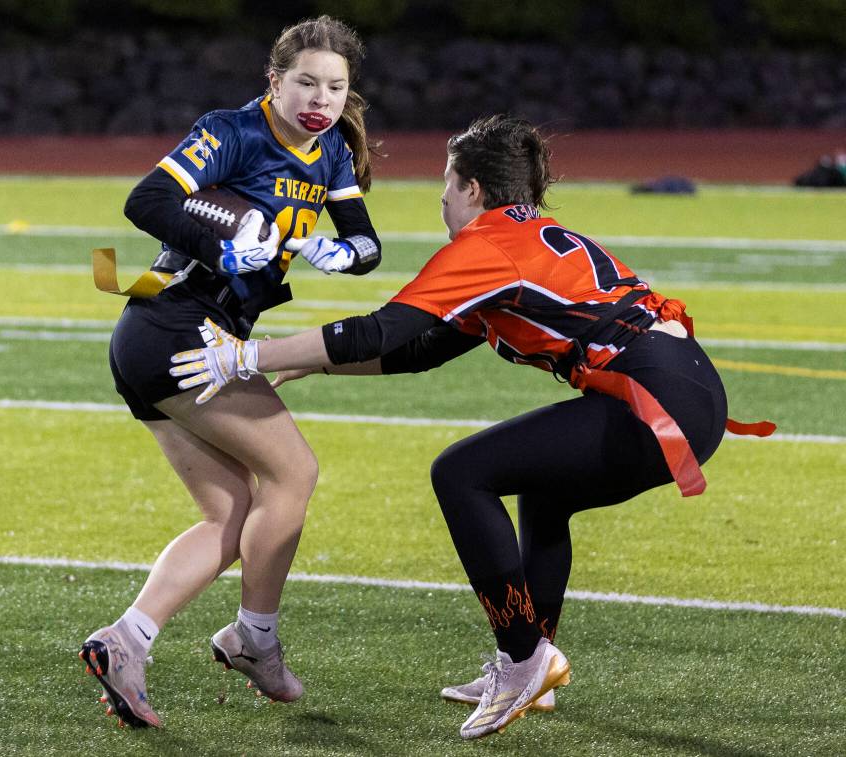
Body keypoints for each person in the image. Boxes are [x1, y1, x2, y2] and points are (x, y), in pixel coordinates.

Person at [169, 115, 773, 740]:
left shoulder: (487, 245)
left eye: (448, 187)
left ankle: (524, 659)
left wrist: (250, 355)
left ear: (476, 190)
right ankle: (529, 663)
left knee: (460, 473)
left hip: (655, 399)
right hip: (685, 391)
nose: (444, 202)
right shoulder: (526, 238)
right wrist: (311, 364)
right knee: (544, 491)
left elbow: (382, 330)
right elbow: (421, 349)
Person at [78, 15, 383, 729]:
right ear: (273, 81)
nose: (321, 97)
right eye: (305, 80)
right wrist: (222, 245)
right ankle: (255, 638)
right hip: (178, 326)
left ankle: (126, 640)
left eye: (335, 85)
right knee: (294, 474)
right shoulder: (231, 130)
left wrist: (344, 257)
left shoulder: (332, 149)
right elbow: (146, 201)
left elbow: (365, 240)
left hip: (169, 341)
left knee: (232, 511)